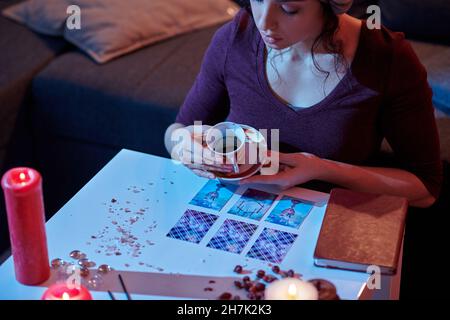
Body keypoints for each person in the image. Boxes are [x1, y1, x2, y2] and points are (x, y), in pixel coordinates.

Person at [164, 0, 443, 209]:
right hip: (234, 216)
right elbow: (177, 130)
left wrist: (323, 168)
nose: (264, 22)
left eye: (289, 8)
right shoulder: (235, 37)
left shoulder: (386, 59)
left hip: (328, 227)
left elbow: (425, 189)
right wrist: (182, 144)